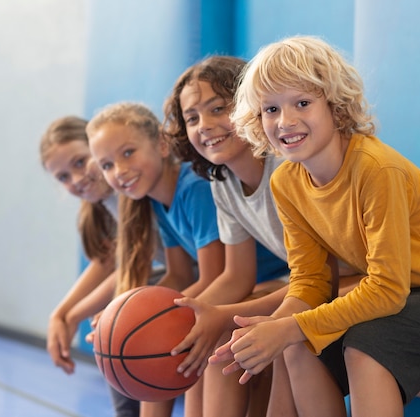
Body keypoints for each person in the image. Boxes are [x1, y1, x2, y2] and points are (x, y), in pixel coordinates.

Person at [209, 35, 420, 417]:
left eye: (302, 103)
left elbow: (386, 290)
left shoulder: (375, 169)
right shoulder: (286, 183)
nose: (285, 121)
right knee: (298, 344)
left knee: (367, 342)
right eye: (270, 109)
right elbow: (311, 282)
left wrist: (289, 326)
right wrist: (270, 329)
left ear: (335, 106)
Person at [163, 55, 362, 417]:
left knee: (279, 335)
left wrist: (224, 315)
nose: (205, 125)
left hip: (355, 282)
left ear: (252, 108)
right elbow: (237, 276)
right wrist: (191, 316)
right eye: (192, 118)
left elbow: (323, 278)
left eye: (218, 109)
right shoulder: (222, 183)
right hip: (311, 285)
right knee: (222, 335)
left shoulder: (288, 166)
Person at [86, 102, 226, 417]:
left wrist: (137, 321)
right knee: (142, 336)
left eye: (127, 153)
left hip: (262, 284)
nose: (119, 171)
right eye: (106, 165)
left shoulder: (194, 188)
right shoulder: (159, 200)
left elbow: (215, 277)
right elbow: (178, 276)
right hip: (228, 289)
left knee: (158, 337)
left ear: (162, 145)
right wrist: (119, 317)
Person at [40, 115, 143, 417]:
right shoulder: (101, 206)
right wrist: (60, 315)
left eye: (80, 162)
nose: (75, 179)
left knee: (120, 310)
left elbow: (130, 264)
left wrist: (74, 315)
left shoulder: (130, 189)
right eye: (62, 177)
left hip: (196, 274)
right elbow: (108, 261)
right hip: (166, 273)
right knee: (118, 308)